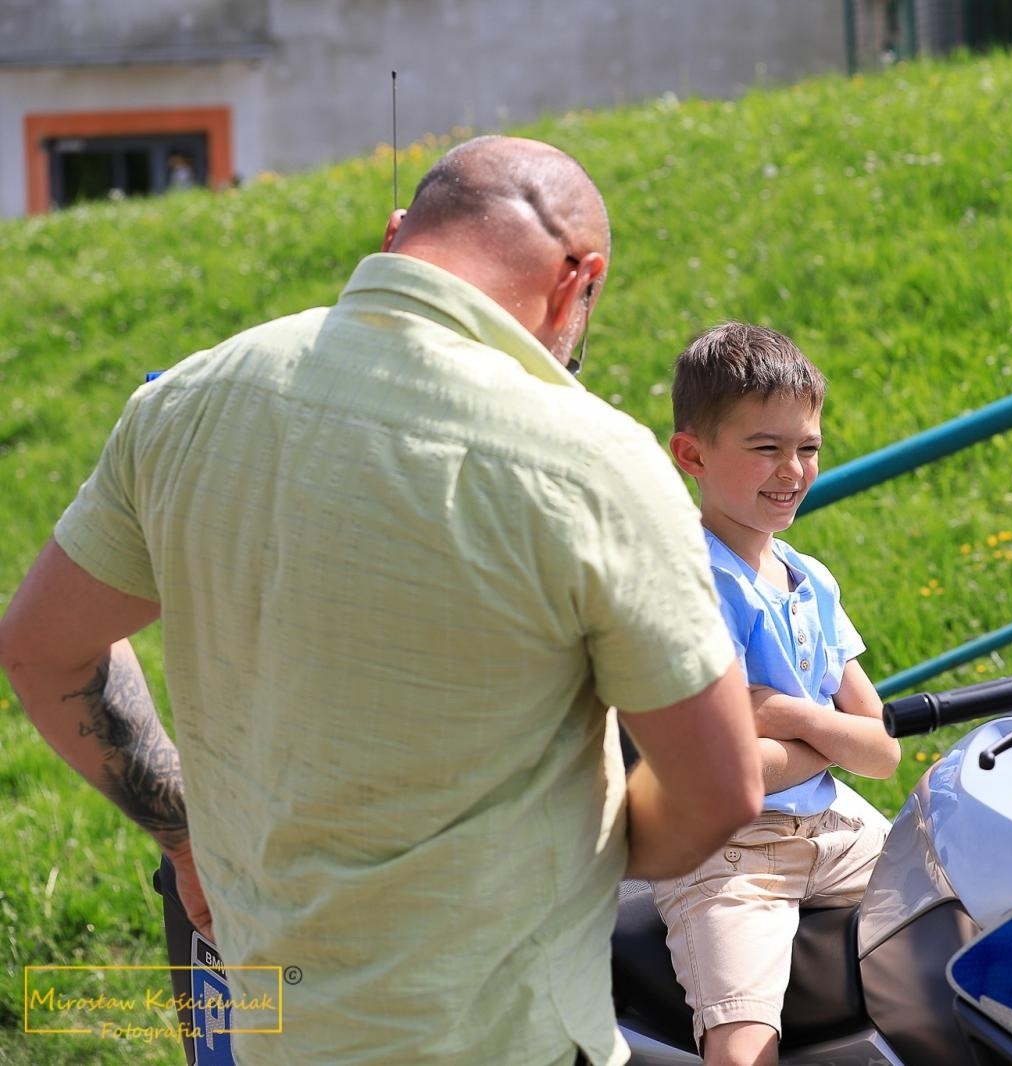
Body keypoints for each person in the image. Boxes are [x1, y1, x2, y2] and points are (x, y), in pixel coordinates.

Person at [0, 135, 764, 1066]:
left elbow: (44, 651)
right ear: (578, 282)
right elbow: (721, 790)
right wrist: (593, 847)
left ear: (399, 233)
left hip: (262, 1024)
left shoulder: (187, 400)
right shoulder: (591, 457)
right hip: (492, 1033)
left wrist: (184, 834)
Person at [656, 322, 902, 1066]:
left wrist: (791, 715)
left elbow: (884, 750)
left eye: (809, 447)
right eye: (766, 448)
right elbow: (728, 772)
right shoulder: (689, 580)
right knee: (741, 1048)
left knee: (975, 909)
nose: (792, 469)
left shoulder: (809, 578)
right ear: (693, 455)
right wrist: (826, 740)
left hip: (834, 822)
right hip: (731, 852)